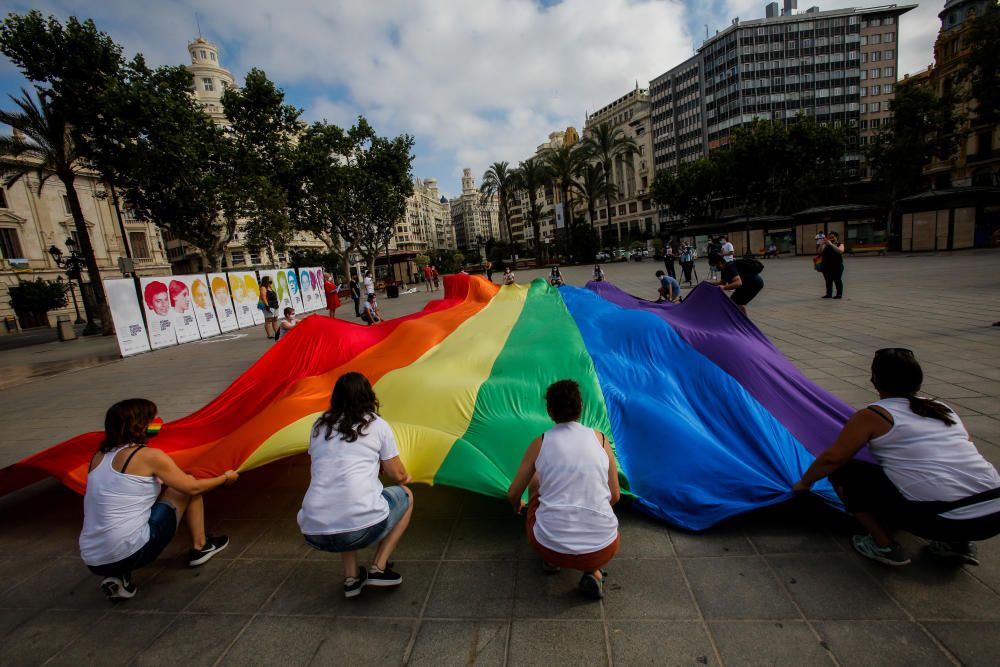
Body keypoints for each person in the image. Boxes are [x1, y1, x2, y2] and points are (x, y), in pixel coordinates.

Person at [793, 348, 1000, 567]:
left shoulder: (873, 415)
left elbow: (832, 459)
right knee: (951, 475)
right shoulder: (941, 408)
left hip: (944, 521)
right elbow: (965, 445)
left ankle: (884, 546)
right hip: (995, 514)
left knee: (846, 471)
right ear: (917, 381)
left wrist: (804, 483)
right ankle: (958, 545)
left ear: (874, 380)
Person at [79, 399, 237, 600]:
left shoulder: (98, 456)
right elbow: (192, 488)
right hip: (134, 550)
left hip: (93, 558)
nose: (158, 423)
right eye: (152, 419)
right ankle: (201, 546)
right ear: (140, 425)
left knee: (121, 527)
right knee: (187, 482)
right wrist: (225, 478)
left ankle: (118, 577)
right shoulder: (148, 456)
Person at [298, 372, 413, 598]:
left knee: (342, 502)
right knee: (406, 496)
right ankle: (378, 568)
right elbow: (398, 475)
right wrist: (406, 477)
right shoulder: (377, 425)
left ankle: (351, 578)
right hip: (360, 528)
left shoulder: (319, 426)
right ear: (368, 395)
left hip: (314, 531)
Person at [507, 380, 620, 600]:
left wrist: (518, 507)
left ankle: (551, 562)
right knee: (592, 501)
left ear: (550, 411)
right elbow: (614, 495)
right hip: (604, 546)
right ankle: (593, 572)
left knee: (536, 480)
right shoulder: (601, 440)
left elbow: (513, 493)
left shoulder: (540, 443)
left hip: (548, 544)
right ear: (581, 407)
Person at [820, 231, 845, 299]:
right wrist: (822, 244)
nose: (831, 238)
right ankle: (829, 294)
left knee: (837, 279)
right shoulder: (826, 244)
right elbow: (821, 251)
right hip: (826, 266)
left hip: (837, 266)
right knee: (828, 280)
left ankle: (839, 294)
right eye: (830, 237)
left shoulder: (840, 244)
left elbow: (841, 251)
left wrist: (831, 244)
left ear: (836, 237)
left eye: (833, 237)